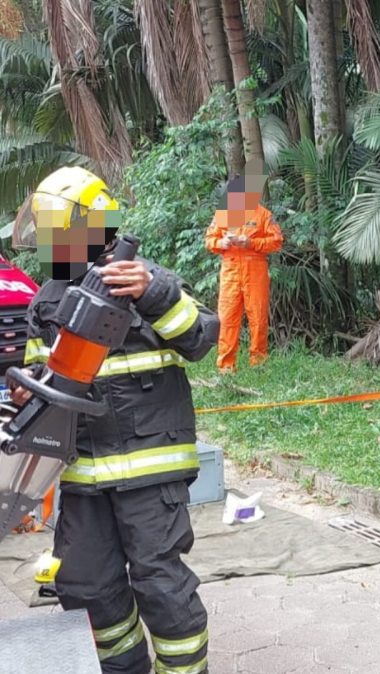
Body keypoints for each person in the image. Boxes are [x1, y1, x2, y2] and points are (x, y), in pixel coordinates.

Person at [10, 166, 219, 674]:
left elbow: (200, 338)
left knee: (159, 581)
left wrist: (157, 292)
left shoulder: (143, 280)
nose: (52, 241)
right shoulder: (48, 298)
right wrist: (26, 389)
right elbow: (45, 376)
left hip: (150, 465)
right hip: (82, 472)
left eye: (59, 227)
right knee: (83, 583)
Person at [205, 175, 283, 373]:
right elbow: (209, 240)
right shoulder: (223, 215)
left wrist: (251, 243)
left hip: (255, 270)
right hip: (230, 270)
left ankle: (258, 363)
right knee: (227, 318)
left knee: (258, 317)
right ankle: (226, 365)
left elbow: (276, 241)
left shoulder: (263, 215)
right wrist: (221, 243)